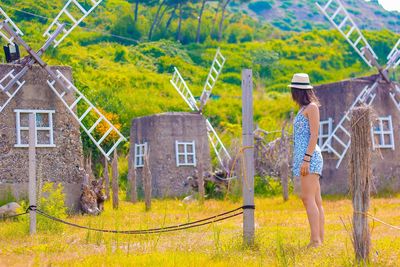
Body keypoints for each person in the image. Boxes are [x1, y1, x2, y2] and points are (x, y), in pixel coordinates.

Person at [288, 73, 325, 248]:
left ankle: (315, 240)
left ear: (297, 91)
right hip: (304, 158)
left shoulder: (312, 107)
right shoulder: (302, 109)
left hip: (309, 158)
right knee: (316, 201)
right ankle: (319, 239)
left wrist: (306, 159)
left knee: (307, 198)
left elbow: (314, 134)